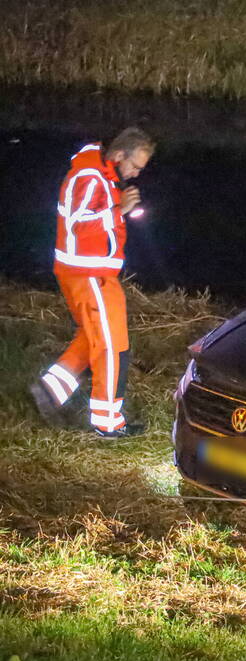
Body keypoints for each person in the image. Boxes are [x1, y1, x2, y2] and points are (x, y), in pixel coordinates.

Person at [28, 127, 155, 437]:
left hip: (96, 272)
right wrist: (119, 210)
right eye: (135, 166)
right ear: (120, 154)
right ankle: (107, 423)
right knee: (111, 345)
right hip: (88, 274)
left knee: (96, 337)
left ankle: (50, 391)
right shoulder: (89, 176)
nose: (136, 173)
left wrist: (120, 210)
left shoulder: (103, 174)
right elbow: (77, 225)